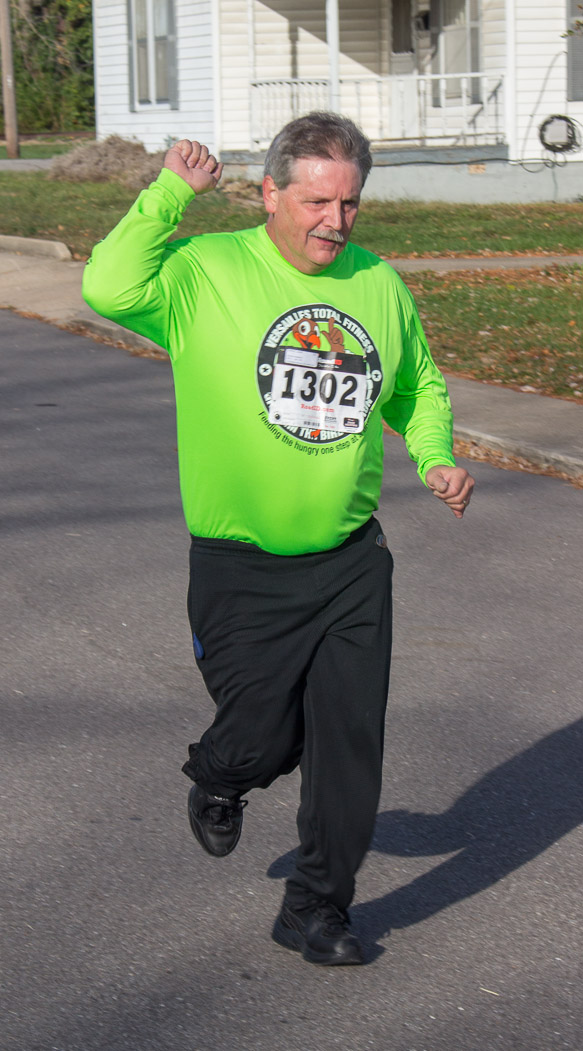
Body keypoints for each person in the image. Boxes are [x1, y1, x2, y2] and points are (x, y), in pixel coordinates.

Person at [83, 111, 474, 967]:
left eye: (349, 203)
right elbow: (107, 287)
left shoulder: (377, 283)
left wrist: (435, 455)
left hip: (349, 561)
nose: (335, 221)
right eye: (316, 202)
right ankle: (222, 772)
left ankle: (315, 907)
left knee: (348, 745)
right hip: (241, 568)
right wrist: (168, 194)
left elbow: (416, 384)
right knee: (266, 738)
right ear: (270, 193)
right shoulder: (204, 271)